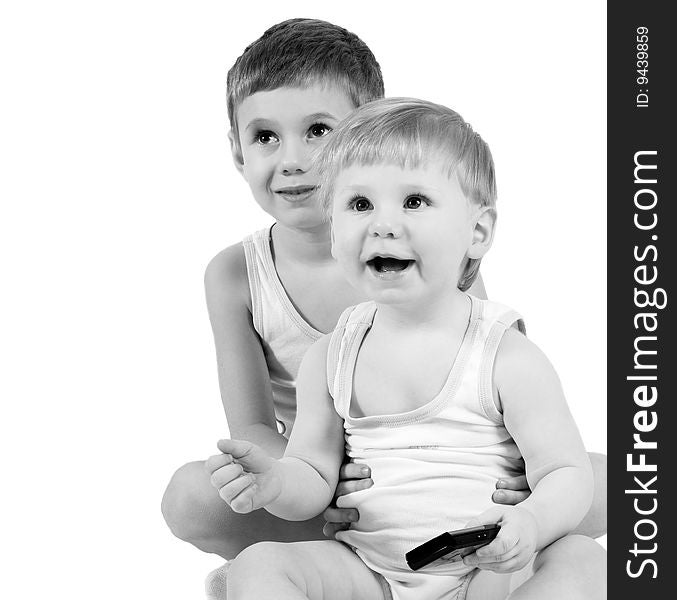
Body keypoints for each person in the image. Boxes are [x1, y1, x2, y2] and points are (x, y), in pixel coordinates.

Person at [160, 16, 607, 590]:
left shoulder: (441, 265)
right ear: (237, 149)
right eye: (266, 136)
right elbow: (254, 427)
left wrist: (532, 504)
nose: (294, 160)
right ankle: (298, 568)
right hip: (344, 495)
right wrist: (299, 486)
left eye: (319, 131)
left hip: (470, 497)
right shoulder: (257, 292)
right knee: (197, 500)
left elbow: (499, 393)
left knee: (606, 487)